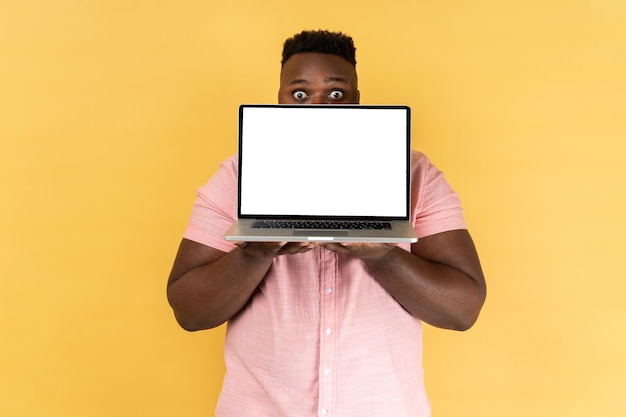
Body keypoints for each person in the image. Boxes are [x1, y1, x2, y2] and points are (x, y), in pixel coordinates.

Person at [167, 30, 486, 417]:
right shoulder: (236, 177)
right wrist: (257, 251)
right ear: (280, 101)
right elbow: (189, 312)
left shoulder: (416, 175)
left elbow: (462, 311)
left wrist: (384, 256)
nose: (318, 107)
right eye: (299, 95)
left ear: (356, 100)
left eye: (336, 94)